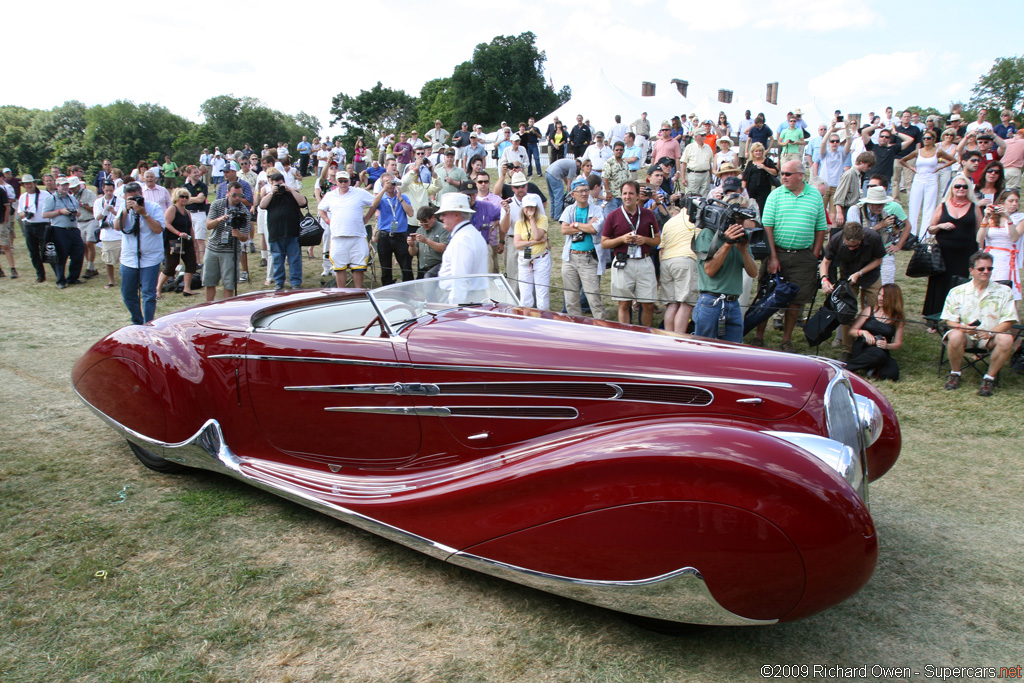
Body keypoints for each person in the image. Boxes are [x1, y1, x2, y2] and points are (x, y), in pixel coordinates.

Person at [754, 161, 828, 351]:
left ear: (800, 176)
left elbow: (821, 227)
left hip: (803, 256)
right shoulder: (775, 195)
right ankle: (759, 336)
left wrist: (814, 254)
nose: (784, 177)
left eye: (788, 173)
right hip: (777, 252)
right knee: (767, 295)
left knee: (797, 300)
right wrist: (773, 257)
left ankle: (786, 339)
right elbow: (767, 227)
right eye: (783, 173)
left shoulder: (814, 196)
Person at [941, 251, 1019, 396]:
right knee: (956, 335)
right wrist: (962, 328)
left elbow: (1009, 319)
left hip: (990, 337)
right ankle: (955, 373)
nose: (986, 272)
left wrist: (991, 332)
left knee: (1007, 338)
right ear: (971, 271)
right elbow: (949, 320)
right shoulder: (957, 292)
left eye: (990, 268)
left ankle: (989, 378)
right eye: (981, 269)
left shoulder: (1004, 291)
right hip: (966, 336)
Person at [692, 193, 759, 342]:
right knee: (705, 350)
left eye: (743, 219)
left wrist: (743, 250)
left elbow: (753, 272)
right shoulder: (708, 234)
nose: (740, 223)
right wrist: (727, 244)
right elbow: (709, 270)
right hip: (711, 302)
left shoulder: (742, 237)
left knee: (734, 353)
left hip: (733, 303)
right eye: (738, 218)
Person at [922, 178, 983, 330]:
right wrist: (941, 226)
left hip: (965, 253)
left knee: (960, 284)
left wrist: (981, 251)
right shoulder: (943, 206)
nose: (961, 189)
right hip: (943, 253)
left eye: (964, 187)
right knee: (939, 283)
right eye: (957, 186)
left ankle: (956, 319)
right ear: (952, 188)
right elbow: (930, 228)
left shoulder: (974, 207)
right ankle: (934, 318)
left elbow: (980, 231)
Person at [819, 221, 885, 359]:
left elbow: (879, 260)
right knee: (845, 312)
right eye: (848, 245)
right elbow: (825, 262)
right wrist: (824, 279)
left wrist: (859, 273)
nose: (850, 248)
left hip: (870, 276)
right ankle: (847, 350)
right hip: (847, 278)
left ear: (861, 239)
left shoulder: (873, 237)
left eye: (854, 246)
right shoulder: (836, 238)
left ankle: (871, 345)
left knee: (875, 311)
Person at [601, 181, 660, 327]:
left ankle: (645, 336)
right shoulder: (613, 216)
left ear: (637, 196)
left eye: (631, 193)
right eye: (625, 193)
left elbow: (657, 239)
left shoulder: (648, 214)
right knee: (624, 303)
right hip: (623, 263)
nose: (628, 197)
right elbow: (604, 243)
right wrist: (621, 239)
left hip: (644, 262)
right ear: (621, 195)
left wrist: (645, 240)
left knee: (647, 303)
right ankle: (625, 338)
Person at [113, 182, 165, 324]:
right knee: (128, 293)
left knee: (148, 294)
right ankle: (137, 320)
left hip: (150, 257)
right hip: (129, 257)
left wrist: (144, 213)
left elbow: (158, 229)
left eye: (136, 198)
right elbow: (117, 227)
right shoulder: (124, 208)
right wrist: (125, 210)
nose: (133, 201)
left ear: (141, 195)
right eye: (130, 198)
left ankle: (148, 323)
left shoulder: (153, 207)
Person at [317, 171, 374, 289]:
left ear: (350, 181)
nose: (343, 183)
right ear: (336, 182)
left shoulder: (360, 193)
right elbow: (321, 209)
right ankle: (341, 293)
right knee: (339, 267)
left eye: (345, 181)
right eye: (340, 181)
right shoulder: (330, 195)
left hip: (358, 236)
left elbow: (375, 202)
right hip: (338, 237)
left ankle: (358, 292)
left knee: (358, 266)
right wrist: (328, 221)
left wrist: (367, 217)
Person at [559, 176, 606, 319]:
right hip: (570, 258)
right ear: (573, 194)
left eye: (586, 190)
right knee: (571, 298)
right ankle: (576, 329)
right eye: (580, 191)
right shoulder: (569, 210)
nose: (584, 194)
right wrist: (583, 226)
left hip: (588, 259)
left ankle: (601, 329)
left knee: (594, 298)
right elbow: (564, 230)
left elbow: (594, 229)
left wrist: (574, 225)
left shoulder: (597, 210)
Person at [897, 130, 956, 239]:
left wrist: (940, 167)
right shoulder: (918, 151)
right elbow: (903, 160)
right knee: (914, 207)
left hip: (931, 180)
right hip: (918, 179)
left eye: (928, 138)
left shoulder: (938, 151)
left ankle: (924, 236)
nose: (926, 140)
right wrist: (912, 168)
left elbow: (953, 160)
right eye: (924, 138)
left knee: (929, 208)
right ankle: (911, 235)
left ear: (933, 139)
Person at [203, 182, 251, 301]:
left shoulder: (244, 211)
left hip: (231, 250)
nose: (237, 198)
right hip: (213, 248)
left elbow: (246, 236)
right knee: (209, 281)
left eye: (240, 196)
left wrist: (239, 235)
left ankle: (228, 308)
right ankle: (208, 307)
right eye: (234, 195)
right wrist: (219, 219)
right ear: (228, 192)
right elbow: (208, 225)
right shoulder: (217, 204)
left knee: (229, 284)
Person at [436, 193, 488, 304]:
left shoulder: (462, 239)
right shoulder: (472, 234)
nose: (441, 218)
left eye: (444, 214)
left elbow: (460, 280)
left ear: (457, 215)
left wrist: (453, 308)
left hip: (464, 298)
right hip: (473, 296)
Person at [846, 283, 905, 380]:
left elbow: (898, 343)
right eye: (879, 294)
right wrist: (864, 332)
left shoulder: (898, 319)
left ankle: (870, 367)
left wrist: (887, 346)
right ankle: (846, 368)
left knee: (893, 374)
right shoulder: (870, 310)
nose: (880, 298)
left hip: (881, 349)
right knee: (878, 355)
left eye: (884, 296)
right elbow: (852, 331)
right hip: (863, 346)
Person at [658, 201, 701, 334]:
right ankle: (679, 340)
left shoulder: (670, 221)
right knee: (686, 304)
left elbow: (662, 248)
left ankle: (668, 339)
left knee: (671, 304)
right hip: (686, 260)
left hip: (666, 262)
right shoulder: (698, 221)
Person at [259, 173, 306, 291]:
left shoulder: (291, 194)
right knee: (277, 259)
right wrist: (271, 192)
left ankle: (295, 282)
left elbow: (303, 203)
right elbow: (262, 205)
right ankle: (279, 282)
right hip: (275, 233)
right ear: (271, 184)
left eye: (280, 184)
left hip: (292, 232)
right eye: (276, 184)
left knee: (295, 259)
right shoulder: (270, 195)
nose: (279, 187)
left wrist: (290, 189)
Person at [368, 173, 414, 285]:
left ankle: (409, 288)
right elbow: (373, 204)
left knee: (406, 266)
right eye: (387, 182)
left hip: (400, 235)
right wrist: (383, 190)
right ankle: (387, 288)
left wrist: (400, 198)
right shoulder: (382, 198)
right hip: (385, 236)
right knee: (385, 268)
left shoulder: (403, 197)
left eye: (392, 182)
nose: (390, 185)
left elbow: (411, 213)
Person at [41, 177, 85, 289]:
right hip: (59, 230)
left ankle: (73, 277)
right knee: (61, 255)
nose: (65, 187)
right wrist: (60, 212)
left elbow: (79, 213)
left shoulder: (71, 198)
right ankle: (60, 280)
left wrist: (75, 212)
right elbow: (44, 214)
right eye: (62, 185)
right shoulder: (52, 199)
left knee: (79, 252)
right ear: (57, 186)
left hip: (73, 229)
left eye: (66, 185)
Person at [977, 190, 1022, 300]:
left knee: (1004, 291)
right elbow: (979, 239)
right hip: (990, 256)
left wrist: (1008, 219)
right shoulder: (992, 218)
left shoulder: (1020, 218)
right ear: (1002, 203)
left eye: (1016, 201)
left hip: (1006, 258)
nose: (1014, 204)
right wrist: (986, 218)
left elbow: (1014, 237)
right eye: (1011, 201)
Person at [155, 188, 198, 297]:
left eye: (186, 197)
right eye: (181, 196)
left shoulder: (187, 212)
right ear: (176, 198)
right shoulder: (172, 209)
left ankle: (187, 288)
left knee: (191, 264)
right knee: (171, 266)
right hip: (174, 241)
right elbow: (167, 223)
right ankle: (158, 289)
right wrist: (178, 233)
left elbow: (190, 227)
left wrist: (194, 241)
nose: (184, 199)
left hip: (186, 241)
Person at [512, 194, 550, 309]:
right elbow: (517, 244)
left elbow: (538, 235)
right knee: (525, 295)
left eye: (532, 208)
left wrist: (532, 219)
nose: (529, 210)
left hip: (540, 259)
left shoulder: (543, 219)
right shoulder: (519, 223)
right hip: (525, 259)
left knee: (542, 295)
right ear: (523, 209)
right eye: (527, 208)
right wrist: (533, 242)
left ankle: (543, 320)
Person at [16, 174, 50, 282]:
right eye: (26, 184)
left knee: (48, 250)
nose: (28, 185)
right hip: (29, 225)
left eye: (30, 183)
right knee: (33, 251)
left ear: (35, 183)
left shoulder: (45, 195)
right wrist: (25, 214)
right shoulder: (23, 197)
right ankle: (40, 274)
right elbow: (20, 213)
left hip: (43, 225)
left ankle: (58, 273)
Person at [92, 181, 122, 289]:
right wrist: (104, 211)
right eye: (106, 190)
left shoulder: (121, 201)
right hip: (107, 235)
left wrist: (113, 211)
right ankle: (111, 281)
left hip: (119, 235)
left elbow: (123, 218)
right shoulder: (98, 202)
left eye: (111, 190)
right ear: (103, 189)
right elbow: (97, 218)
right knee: (108, 260)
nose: (109, 193)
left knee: (124, 259)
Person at [408, 206, 448, 279]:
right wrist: (411, 245)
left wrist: (426, 241)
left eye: (425, 222)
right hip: (422, 269)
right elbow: (412, 253)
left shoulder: (443, 229)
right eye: (421, 223)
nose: (423, 225)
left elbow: (444, 248)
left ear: (432, 217)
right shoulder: (419, 231)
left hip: (438, 268)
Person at [741, 142, 779, 215]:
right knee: (750, 207)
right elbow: (745, 177)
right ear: (753, 152)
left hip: (763, 190)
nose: (758, 153)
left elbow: (775, 172)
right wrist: (743, 190)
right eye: (756, 151)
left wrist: (764, 167)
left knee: (762, 208)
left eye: (760, 151)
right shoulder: (750, 163)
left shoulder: (767, 161)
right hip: (751, 189)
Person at [680, 129, 714, 197]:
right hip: (693, 175)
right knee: (691, 196)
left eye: (704, 135)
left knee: (704, 196)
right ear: (696, 137)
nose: (704, 137)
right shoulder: (689, 147)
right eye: (702, 135)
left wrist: (710, 177)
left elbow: (709, 164)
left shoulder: (708, 148)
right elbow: (684, 164)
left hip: (705, 175)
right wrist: (683, 178)